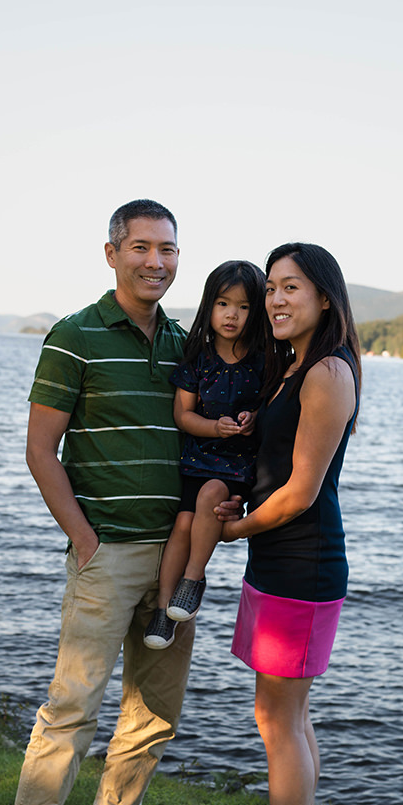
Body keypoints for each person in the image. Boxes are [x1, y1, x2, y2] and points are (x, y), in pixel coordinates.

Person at [0, 199, 196, 805]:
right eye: (141, 246)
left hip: (176, 561)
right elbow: (40, 451)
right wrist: (82, 538)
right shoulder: (73, 337)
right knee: (71, 711)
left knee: (153, 712)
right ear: (110, 253)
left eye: (168, 249)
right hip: (106, 551)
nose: (156, 261)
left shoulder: (186, 343)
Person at [215, 242, 361, 805]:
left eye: (290, 288)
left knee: (277, 720)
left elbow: (301, 492)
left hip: (300, 564)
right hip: (279, 563)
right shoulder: (291, 369)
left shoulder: (327, 371)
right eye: (270, 287)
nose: (274, 299)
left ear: (324, 298)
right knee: (287, 717)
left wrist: (232, 531)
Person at [144, 260, 267, 650]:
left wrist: (254, 417)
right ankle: (164, 611)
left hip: (235, 466)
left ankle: (193, 579)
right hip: (197, 458)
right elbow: (183, 415)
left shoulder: (266, 361)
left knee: (213, 495)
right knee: (181, 526)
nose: (231, 315)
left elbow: (276, 406)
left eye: (244, 306)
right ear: (208, 306)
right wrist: (214, 427)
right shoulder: (199, 357)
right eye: (223, 303)